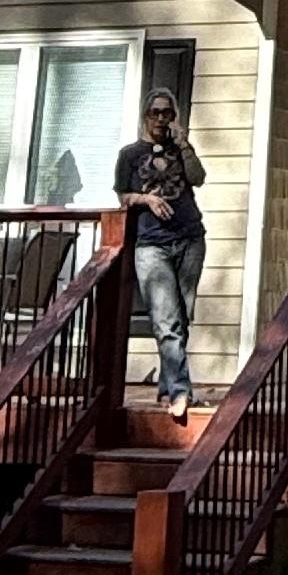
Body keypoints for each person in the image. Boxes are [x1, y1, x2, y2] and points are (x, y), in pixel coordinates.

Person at [115, 88, 208, 424]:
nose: (160, 119)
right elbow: (122, 196)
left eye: (167, 113)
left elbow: (198, 178)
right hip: (151, 244)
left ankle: (168, 384)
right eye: (155, 112)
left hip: (190, 238)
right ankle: (181, 390)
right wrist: (147, 200)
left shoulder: (181, 150)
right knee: (165, 319)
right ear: (145, 115)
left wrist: (183, 144)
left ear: (174, 117)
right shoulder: (129, 154)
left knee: (182, 316)